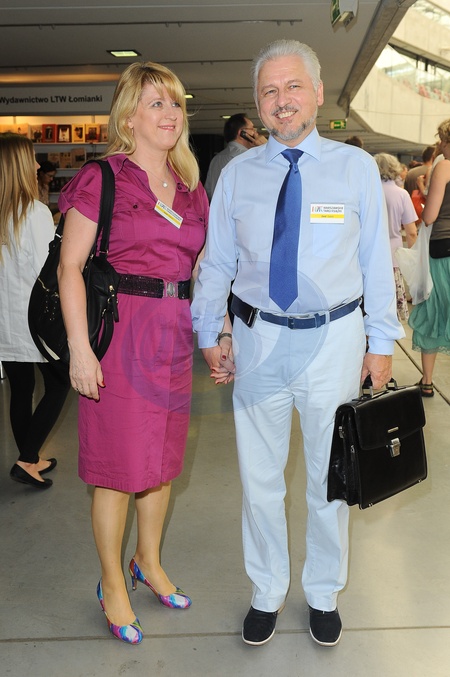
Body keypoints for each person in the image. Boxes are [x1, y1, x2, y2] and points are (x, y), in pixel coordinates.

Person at [191, 39, 404, 648]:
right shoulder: (237, 175)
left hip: (335, 340)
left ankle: (323, 592)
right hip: (257, 339)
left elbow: (375, 260)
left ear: (317, 93)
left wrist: (381, 341)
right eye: (269, 91)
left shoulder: (354, 168)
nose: (281, 100)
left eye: (292, 87)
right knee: (259, 476)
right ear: (257, 105)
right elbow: (217, 262)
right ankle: (266, 590)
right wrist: (210, 330)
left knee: (327, 477)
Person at [57, 62, 209, 644]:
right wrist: (80, 349)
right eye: (156, 104)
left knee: (162, 463)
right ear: (128, 117)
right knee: (118, 470)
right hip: (120, 334)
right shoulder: (103, 179)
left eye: (175, 104)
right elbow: (71, 267)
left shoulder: (190, 186)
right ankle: (111, 582)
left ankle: (148, 561)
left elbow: (201, 267)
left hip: (173, 336)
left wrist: (215, 331)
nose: (170, 114)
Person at [0, 133, 70, 489]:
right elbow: (51, 271)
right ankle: (27, 458)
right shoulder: (34, 213)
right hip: (35, 319)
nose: (38, 165)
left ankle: (30, 457)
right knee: (59, 384)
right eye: (32, 158)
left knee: (21, 388)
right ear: (18, 166)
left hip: (5, 321)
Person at [409, 118, 450, 398]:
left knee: (432, 311)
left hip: (442, 249)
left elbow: (430, 216)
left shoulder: (444, 166)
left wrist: (426, 202)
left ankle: (426, 381)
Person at [374, 153, 418, 321]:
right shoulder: (401, 194)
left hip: (368, 257)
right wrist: (413, 259)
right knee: (392, 314)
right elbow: (411, 232)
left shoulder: (368, 191)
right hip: (393, 257)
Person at [204, 113, 266, 200]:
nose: (256, 133)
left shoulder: (216, 159)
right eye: (252, 129)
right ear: (242, 133)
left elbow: (208, 192)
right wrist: (266, 147)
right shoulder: (249, 157)